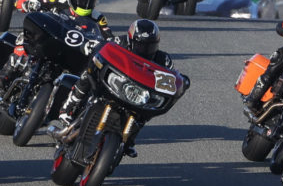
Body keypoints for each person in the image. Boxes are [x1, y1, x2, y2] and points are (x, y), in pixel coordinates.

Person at [50, 19, 189, 158]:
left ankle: (129, 140)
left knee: (146, 112)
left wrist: (181, 81)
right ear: (130, 40)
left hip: (136, 93)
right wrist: (94, 46)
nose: (145, 50)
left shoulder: (163, 59)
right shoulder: (119, 42)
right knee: (88, 72)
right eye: (140, 45)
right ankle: (69, 107)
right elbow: (103, 46)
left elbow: (172, 76)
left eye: (150, 46)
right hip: (112, 84)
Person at [0, 0, 112, 92]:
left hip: (73, 52)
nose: (86, 5)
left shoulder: (98, 18)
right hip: (50, 40)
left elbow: (108, 38)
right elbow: (34, 2)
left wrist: (112, 44)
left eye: (90, 1)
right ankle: (6, 74)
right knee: (26, 36)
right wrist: (26, 3)